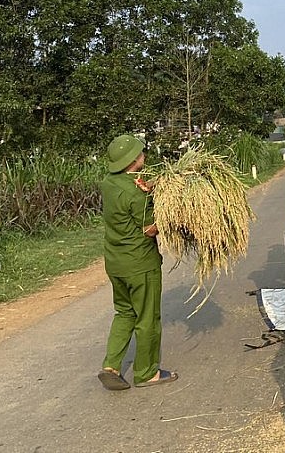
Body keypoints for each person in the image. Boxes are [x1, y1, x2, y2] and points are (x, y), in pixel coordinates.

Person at [98, 134, 178, 390]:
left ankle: (111, 365)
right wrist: (172, 214)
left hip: (115, 263)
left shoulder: (109, 183)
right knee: (147, 318)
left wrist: (152, 186)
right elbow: (150, 230)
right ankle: (146, 373)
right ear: (134, 160)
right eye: (141, 152)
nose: (144, 155)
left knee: (124, 312)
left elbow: (130, 192)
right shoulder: (136, 195)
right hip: (140, 265)